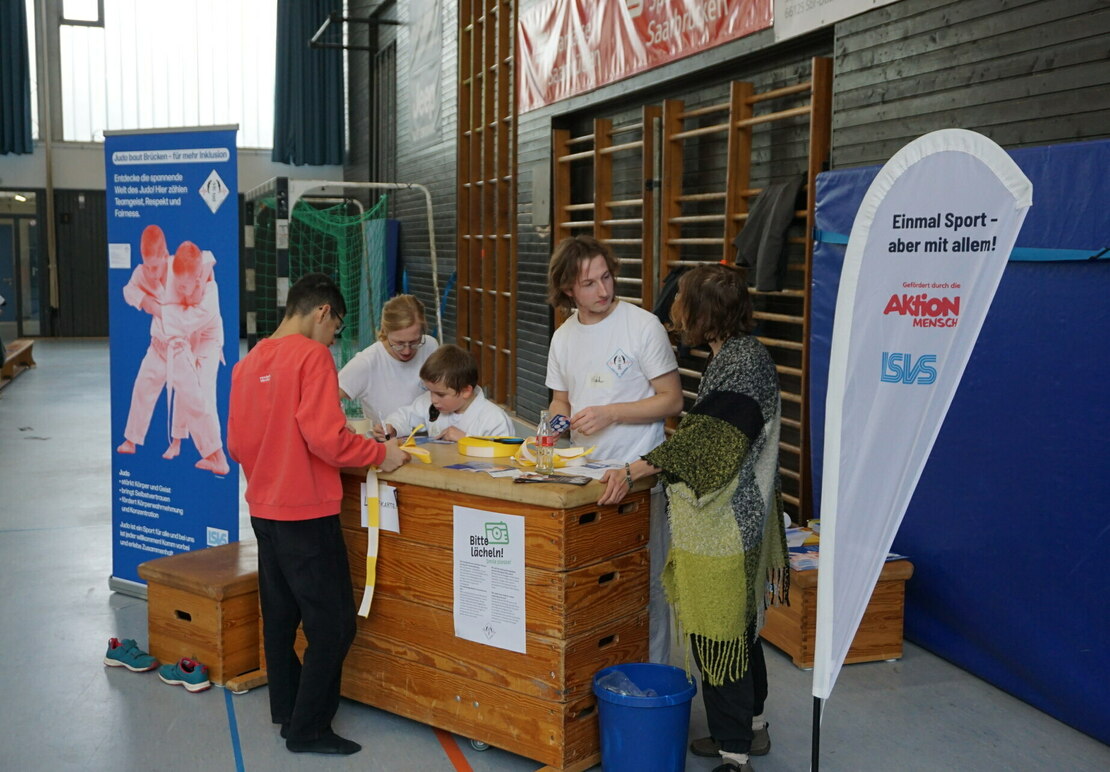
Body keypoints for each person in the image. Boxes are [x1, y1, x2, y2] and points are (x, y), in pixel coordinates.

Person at [597, 263, 789, 772]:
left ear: (703, 312)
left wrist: (639, 465)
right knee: (742, 627)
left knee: (718, 629)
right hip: (745, 514)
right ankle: (751, 727)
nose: (675, 315)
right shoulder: (735, 353)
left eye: (681, 303)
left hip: (729, 522)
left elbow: (712, 447)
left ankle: (733, 753)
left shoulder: (743, 362)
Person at [227, 272, 409, 756]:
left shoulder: (247, 365)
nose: (334, 339)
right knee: (334, 625)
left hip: (263, 510)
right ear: (322, 312)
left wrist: (273, 466)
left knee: (282, 617)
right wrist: (379, 455)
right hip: (306, 513)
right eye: (337, 328)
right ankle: (308, 729)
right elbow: (326, 438)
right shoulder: (312, 356)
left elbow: (237, 443)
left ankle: (286, 710)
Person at [544, 235, 683, 665]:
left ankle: (653, 682)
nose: (603, 290)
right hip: (589, 478)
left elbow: (672, 400)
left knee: (647, 585)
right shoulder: (563, 337)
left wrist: (612, 414)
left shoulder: (642, 326)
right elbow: (560, 400)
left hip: (639, 476)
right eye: (589, 284)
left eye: (606, 278)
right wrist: (554, 425)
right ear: (568, 289)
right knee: (597, 585)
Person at [338, 294, 440, 427]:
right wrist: (341, 424)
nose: (407, 351)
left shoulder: (431, 345)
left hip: (429, 434)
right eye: (399, 343)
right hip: (389, 440)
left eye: (415, 342)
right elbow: (326, 397)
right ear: (385, 331)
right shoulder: (367, 362)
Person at [379, 344, 515, 441]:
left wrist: (466, 440)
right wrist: (393, 427)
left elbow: (506, 457)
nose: (433, 399)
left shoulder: (494, 419)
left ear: (466, 391)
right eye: (430, 391)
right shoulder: (429, 403)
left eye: (441, 394)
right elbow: (405, 416)